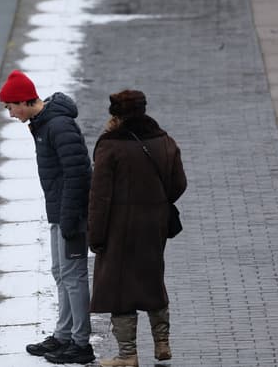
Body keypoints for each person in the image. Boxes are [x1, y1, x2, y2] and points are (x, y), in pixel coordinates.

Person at [0, 70, 95, 365]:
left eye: (10, 107)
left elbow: (78, 173)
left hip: (72, 214)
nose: (11, 114)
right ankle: (63, 335)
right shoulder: (42, 125)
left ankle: (81, 344)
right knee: (60, 273)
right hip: (59, 211)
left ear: (24, 101)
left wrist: (69, 218)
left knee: (74, 277)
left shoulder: (58, 126)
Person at [87, 90, 187, 366]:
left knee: (119, 290)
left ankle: (127, 355)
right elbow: (179, 183)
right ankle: (162, 343)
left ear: (116, 114)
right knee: (152, 279)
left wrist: (95, 236)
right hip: (154, 226)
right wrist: (156, 204)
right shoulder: (164, 140)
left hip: (118, 230)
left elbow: (99, 198)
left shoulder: (110, 146)